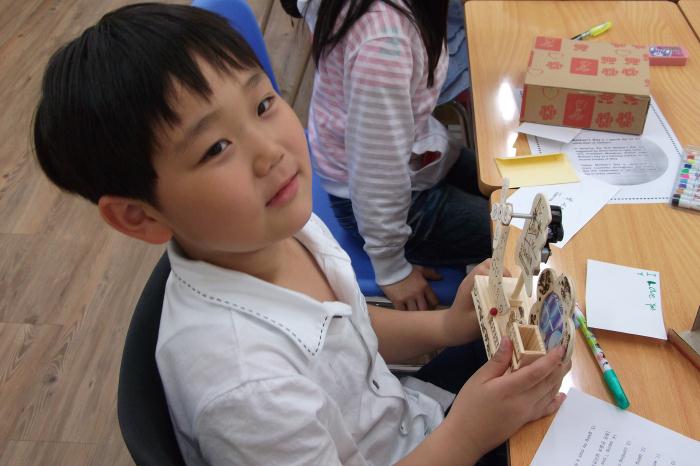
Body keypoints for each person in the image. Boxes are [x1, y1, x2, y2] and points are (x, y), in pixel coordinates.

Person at [33, 3, 570, 465]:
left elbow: (346, 327)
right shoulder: (245, 388)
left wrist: (446, 327)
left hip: (412, 417)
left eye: (263, 105)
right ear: (139, 217)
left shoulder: (276, 229)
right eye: (216, 148)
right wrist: (466, 436)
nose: (272, 152)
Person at [299, 0, 491, 311]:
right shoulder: (384, 46)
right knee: (520, 234)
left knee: (505, 187)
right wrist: (391, 267)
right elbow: (376, 173)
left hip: (411, 152)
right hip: (375, 204)